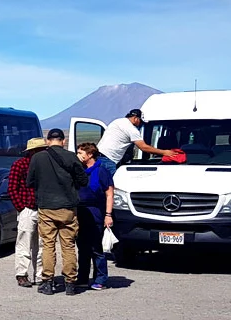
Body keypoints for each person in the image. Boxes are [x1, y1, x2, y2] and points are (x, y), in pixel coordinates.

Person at [27, 128, 89, 296]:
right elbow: (84, 181)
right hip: (68, 207)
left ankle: (47, 282)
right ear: (63, 141)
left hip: (46, 207)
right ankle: (70, 283)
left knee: (48, 245)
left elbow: (29, 182)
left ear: (48, 141)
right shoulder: (71, 157)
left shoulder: (37, 158)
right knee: (68, 246)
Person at [75, 142, 114, 291]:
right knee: (82, 247)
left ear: (90, 154)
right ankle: (83, 277)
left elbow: (109, 194)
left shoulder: (101, 171)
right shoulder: (79, 171)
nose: (78, 156)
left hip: (96, 213)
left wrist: (108, 215)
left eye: (80, 153)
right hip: (80, 213)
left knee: (96, 247)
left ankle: (101, 279)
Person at [8, 137, 47, 287]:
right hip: (28, 209)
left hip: (43, 208)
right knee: (24, 243)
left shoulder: (45, 166)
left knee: (42, 245)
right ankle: (21, 274)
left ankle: (40, 275)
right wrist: (21, 207)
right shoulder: (20, 165)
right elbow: (12, 188)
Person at [96, 109, 177, 175]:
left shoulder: (118, 121)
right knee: (109, 188)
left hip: (98, 156)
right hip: (109, 160)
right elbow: (143, 147)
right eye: (140, 122)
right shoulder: (131, 129)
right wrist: (165, 152)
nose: (140, 125)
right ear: (135, 118)